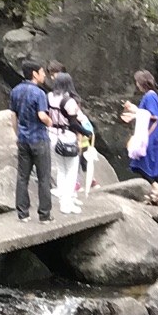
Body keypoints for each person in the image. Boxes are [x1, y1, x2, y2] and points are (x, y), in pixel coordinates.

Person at [9, 60, 53, 223]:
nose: (44, 75)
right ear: (34, 74)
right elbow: (42, 115)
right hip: (39, 139)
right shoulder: (39, 93)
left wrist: (17, 134)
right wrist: (50, 122)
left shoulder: (15, 91)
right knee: (44, 177)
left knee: (22, 177)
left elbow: (13, 115)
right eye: (42, 72)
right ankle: (44, 214)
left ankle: (23, 213)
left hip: (23, 139)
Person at [45, 71, 93, 215]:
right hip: (67, 137)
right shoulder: (69, 101)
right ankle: (67, 203)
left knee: (61, 169)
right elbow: (73, 123)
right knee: (71, 171)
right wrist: (86, 132)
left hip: (52, 135)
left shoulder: (48, 96)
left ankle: (64, 198)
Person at [122, 70, 158, 206]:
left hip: (152, 135)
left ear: (142, 83)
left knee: (141, 162)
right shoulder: (152, 95)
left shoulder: (150, 96)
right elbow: (148, 114)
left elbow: (153, 116)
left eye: (137, 82)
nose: (136, 85)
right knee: (152, 163)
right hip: (156, 133)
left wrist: (136, 111)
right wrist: (134, 114)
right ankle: (155, 197)